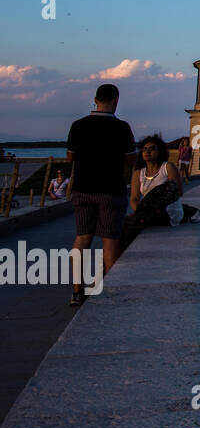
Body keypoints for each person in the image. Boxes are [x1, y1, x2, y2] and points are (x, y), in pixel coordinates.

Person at [65, 83, 136, 306]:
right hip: (111, 190)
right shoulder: (122, 127)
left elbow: (70, 158)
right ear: (116, 100)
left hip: (83, 189)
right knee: (110, 238)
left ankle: (77, 291)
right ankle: (109, 291)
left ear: (95, 99)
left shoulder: (78, 126)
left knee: (82, 236)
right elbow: (131, 160)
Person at [123, 134, 185, 251]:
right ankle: (112, 265)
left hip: (169, 213)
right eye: (145, 149)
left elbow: (178, 192)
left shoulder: (168, 167)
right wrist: (141, 212)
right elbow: (134, 198)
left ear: (159, 151)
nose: (147, 152)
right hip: (148, 212)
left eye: (152, 149)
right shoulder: (138, 173)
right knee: (120, 227)